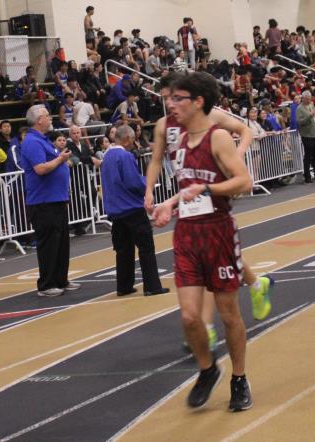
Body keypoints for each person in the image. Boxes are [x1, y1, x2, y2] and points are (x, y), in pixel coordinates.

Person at [151, 72, 255, 412]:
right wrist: (168, 203)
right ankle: (208, 369)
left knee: (229, 315)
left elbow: (244, 182)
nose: (171, 104)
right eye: (170, 98)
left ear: (198, 102)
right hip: (186, 234)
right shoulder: (178, 140)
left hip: (218, 232)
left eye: (178, 98)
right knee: (190, 317)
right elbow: (187, 188)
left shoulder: (218, 137)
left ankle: (239, 378)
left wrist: (207, 188)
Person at [19, 104, 78, 297]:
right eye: (47, 116)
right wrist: (60, 159)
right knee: (49, 244)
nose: (51, 118)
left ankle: (61, 279)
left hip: (56, 199)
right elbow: (40, 169)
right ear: (39, 120)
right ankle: (46, 284)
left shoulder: (43, 140)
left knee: (61, 242)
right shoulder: (32, 141)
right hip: (43, 201)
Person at [102, 125, 168, 297]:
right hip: (131, 208)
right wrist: (148, 183)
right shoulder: (125, 156)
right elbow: (133, 181)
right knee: (146, 247)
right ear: (127, 139)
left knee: (123, 250)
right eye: (132, 139)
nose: (134, 143)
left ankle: (123, 286)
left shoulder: (107, 156)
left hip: (116, 211)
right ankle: (152, 286)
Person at [297, 91, 315, 183]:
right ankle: (307, 176)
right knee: (308, 155)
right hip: (307, 135)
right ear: (303, 99)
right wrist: (309, 116)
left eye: (310, 99)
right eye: (307, 99)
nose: (309, 100)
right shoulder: (299, 108)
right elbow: (300, 122)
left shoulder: (311, 105)